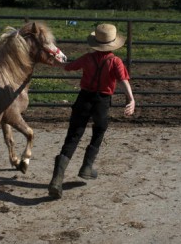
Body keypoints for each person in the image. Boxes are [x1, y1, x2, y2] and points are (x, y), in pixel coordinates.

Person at [48, 24, 135, 199]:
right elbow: (123, 80)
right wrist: (131, 99)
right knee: (100, 129)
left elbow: (68, 66)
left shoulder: (87, 58)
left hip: (84, 99)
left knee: (73, 135)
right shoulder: (115, 61)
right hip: (101, 101)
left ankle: (57, 179)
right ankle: (87, 166)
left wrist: (57, 62)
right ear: (112, 43)